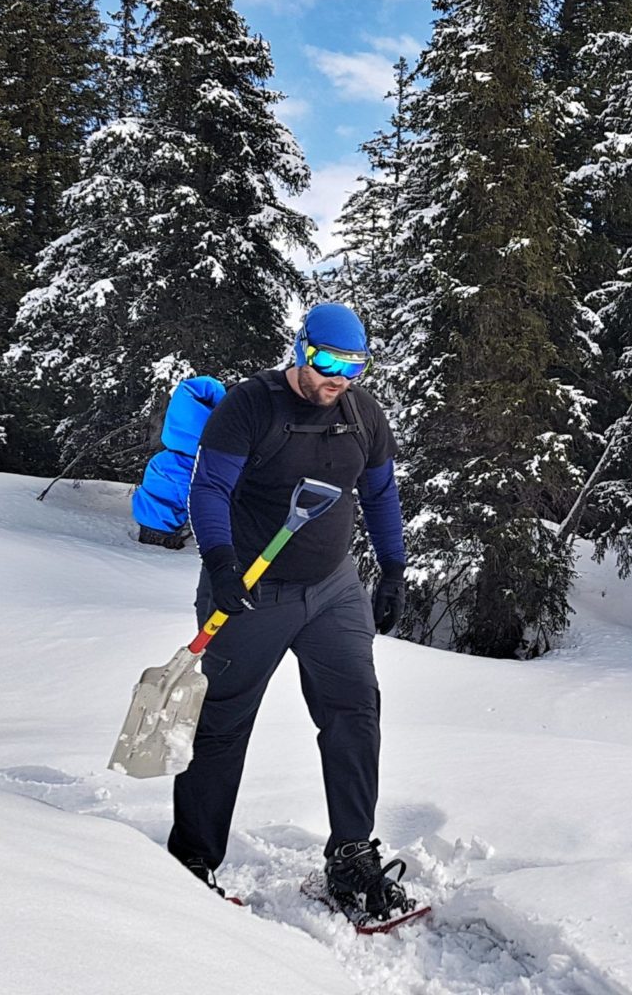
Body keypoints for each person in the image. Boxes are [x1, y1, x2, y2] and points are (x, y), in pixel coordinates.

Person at [171, 302, 413, 917]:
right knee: (222, 723)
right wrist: (221, 562)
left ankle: (352, 853)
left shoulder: (361, 414)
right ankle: (191, 861)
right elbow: (211, 488)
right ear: (302, 349)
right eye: (329, 361)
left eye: (353, 365)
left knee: (355, 710)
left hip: (334, 589)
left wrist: (391, 570)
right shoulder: (250, 407)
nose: (338, 377)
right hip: (252, 591)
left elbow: (381, 493)